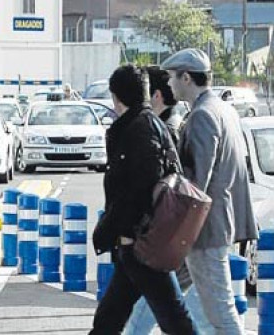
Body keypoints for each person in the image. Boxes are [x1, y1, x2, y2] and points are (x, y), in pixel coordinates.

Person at [89, 64, 194, 334]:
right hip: (138, 244)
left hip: (142, 243)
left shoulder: (139, 130)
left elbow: (137, 191)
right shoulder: (148, 124)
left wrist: (112, 230)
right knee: (107, 321)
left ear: (116, 97)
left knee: (175, 321)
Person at [161, 48, 257, 335]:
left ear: (187, 78)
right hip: (214, 224)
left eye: (171, 78)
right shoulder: (223, 110)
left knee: (221, 314)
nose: (168, 85)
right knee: (163, 296)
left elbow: (195, 185)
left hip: (202, 230)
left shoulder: (202, 115)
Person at [122, 66, 210, 335]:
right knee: (169, 308)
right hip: (176, 232)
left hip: (170, 232)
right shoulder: (169, 125)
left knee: (168, 310)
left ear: (156, 96)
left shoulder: (165, 129)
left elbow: (176, 186)